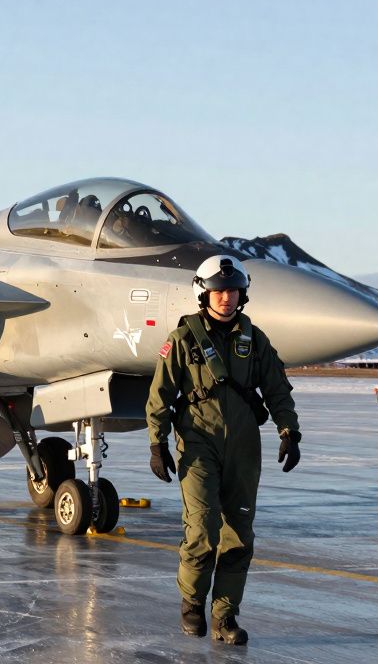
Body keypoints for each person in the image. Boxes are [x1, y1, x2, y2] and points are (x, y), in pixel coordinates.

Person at [145, 255, 301, 646]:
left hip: (245, 448)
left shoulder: (255, 339)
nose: (226, 298)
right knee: (203, 530)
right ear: (205, 293)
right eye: (219, 291)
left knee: (239, 535)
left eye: (232, 291)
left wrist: (289, 431)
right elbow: (160, 393)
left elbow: (277, 389)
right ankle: (192, 602)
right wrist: (156, 442)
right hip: (199, 443)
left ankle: (225, 616)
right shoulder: (183, 340)